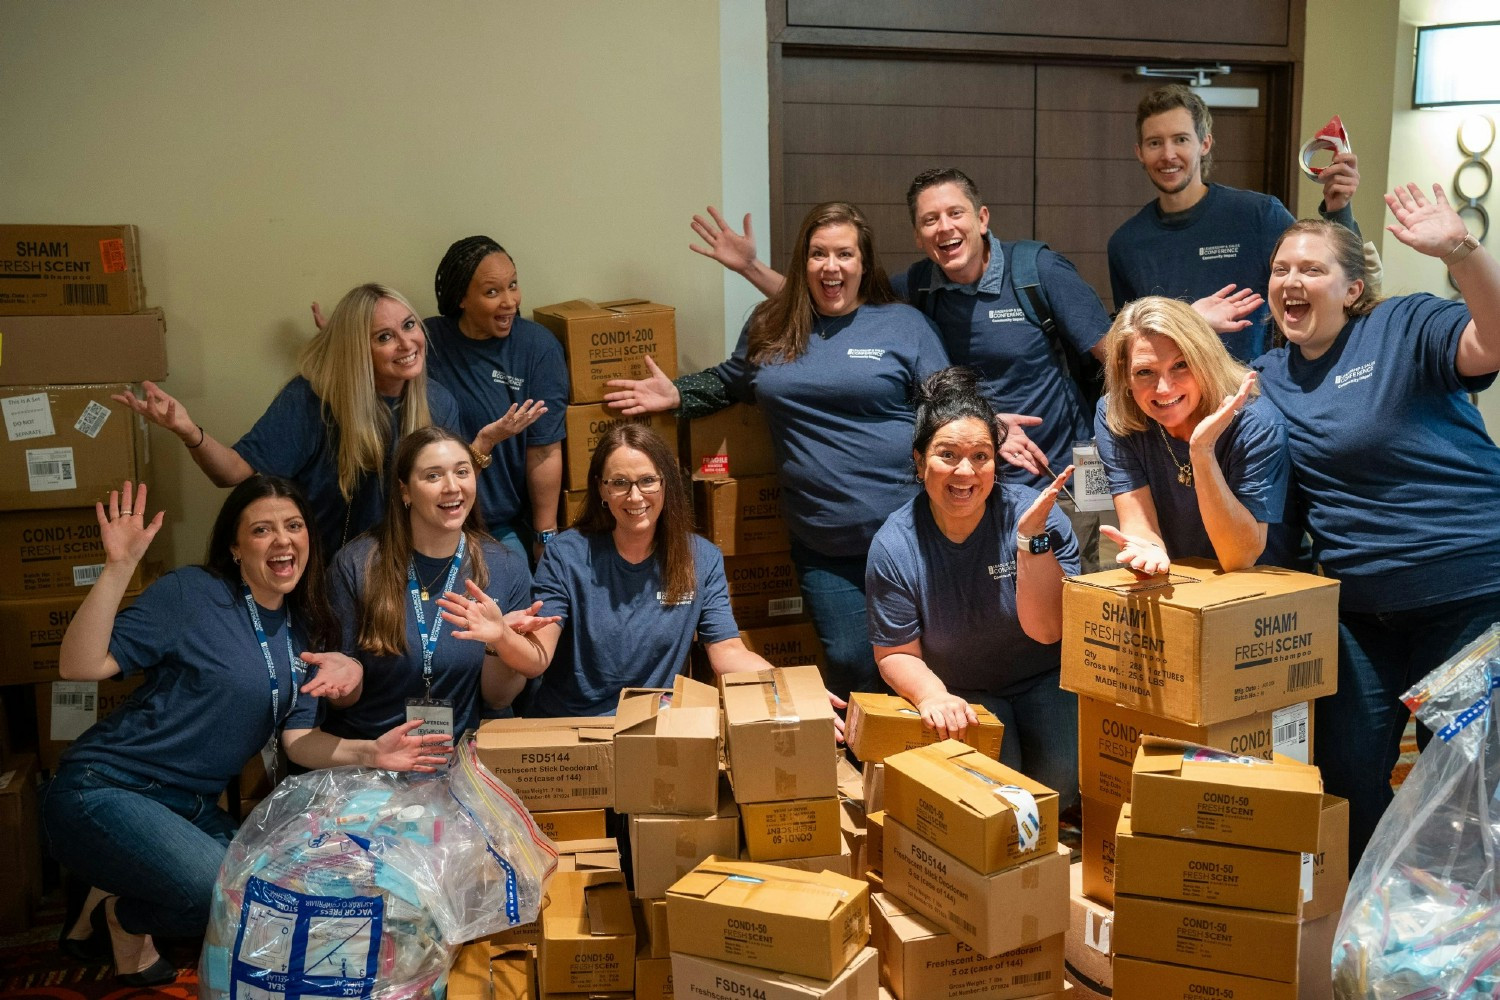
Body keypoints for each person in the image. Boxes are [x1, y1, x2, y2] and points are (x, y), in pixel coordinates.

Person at [41, 477, 447, 986]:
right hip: (104, 787)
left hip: (187, 808)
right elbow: (79, 665)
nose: (283, 539)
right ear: (235, 547)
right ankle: (122, 915)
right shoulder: (193, 593)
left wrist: (373, 752)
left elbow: (297, 742)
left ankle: (122, 894)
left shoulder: (304, 629)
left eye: (294, 526)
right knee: (213, 892)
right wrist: (119, 567)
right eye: (262, 529)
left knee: (261, 898)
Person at [683, 170, 1116, 568]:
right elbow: (831, 301)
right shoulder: (915, 289)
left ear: (982, 218)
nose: (944, 227)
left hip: (1056, 481)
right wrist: (750, 268)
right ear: (917, 235)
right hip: (970, 492)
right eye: (930, 220)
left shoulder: (1037, 272)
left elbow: (1117, 357)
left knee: (1075, 607)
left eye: (954, 213)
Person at [604, 202, 950, 698]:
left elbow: (948, 405)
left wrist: (994, 428)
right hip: (824, 542)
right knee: (853, 664)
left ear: (864, 264)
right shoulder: (772, 323)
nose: (831, 266)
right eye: (818, 254)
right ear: (801, 262)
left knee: (925, 661)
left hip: (911, 534)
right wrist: (678, 394)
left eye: (844, 254)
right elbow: (734, 380)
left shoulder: (902, 325)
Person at [1254, 184, 1500, 871]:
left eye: (1311, 269)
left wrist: (1462, 250)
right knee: (1346, 778)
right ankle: (1368, 930)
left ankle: (1457, 950)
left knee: (1463, 789)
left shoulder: (1402, 326)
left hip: (1468, 597)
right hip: (1360, 614)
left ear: (1354, 287)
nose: (1291, 281)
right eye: (1280, 270)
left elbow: (1492, 337)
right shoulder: (1268, 376)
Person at [438, 423, 778, 716]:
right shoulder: (566, 554)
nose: (635, 496)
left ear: (666, 484)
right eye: (619, 483)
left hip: (652, 728)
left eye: (647, 480)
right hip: (571, 727)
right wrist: (502, 635)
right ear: (601, 488)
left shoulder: (700, 557)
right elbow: (537, 658)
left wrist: (789, 687)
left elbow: (728, 652)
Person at [115, 283, 464, 556]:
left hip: (405, 570)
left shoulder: (438, 401)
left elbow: (450, 495)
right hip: (321, 572)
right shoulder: (312, 400)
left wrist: (483, 448)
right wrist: (188, 431)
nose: (406, 343)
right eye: (384, 337)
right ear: (358, 349)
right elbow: (233, 473)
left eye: (409, 325)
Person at [866, 368, 1081, 807]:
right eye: (947, 454)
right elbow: (895, 654)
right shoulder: (894, 544)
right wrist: (932, 695)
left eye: (981, 456)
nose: (965, 472)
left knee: (1062, 787)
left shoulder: (1037, 517)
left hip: (1045, 676)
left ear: (995, 462)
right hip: (961, 688)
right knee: (1000, 793)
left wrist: (1030, 542)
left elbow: (1050, 631)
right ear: (919, 459)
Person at [323, 427, 552, 746]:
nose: (452, 487)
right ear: (405, 491)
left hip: (458, 760)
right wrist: (342, 688)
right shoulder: (356, 563)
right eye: (433, 476)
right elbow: (341, 696)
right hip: (372, 756)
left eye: (462, 472)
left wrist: (499, 642)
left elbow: (497, 700)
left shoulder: (505, 565)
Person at [1108, 83, 1362, 362]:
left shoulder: (1258, 215)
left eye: (1180, 139)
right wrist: (1192, 320)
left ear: (1204, 144)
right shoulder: (1127, 244)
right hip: (1172, 396)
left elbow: (1335, 279)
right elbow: (1133, 338)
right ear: (1140, 152)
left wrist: (1339, 209)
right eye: (1155, 142)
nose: (1168, 154)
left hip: (1258, 390)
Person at [1094, 296, 1295, 573]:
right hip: (1181, 585)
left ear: (1205, 359)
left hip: (1260, 594)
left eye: (1180, 365)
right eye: (1144, 372)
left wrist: (1202, 452)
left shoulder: (1257, 424)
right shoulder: (1115, 415)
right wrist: (1148, 550)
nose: (1164, 388)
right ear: (1125, 377)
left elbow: (1238, 558)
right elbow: (1140, 525)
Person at [424, 236, 568, 560]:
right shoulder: (427, 342)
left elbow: (544, 449)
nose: (510, 301)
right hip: (430, 518)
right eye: (492, 292)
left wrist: (545, 536)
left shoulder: (537, 348)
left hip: (498, 525)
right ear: (462, 297)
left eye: (513, 285)